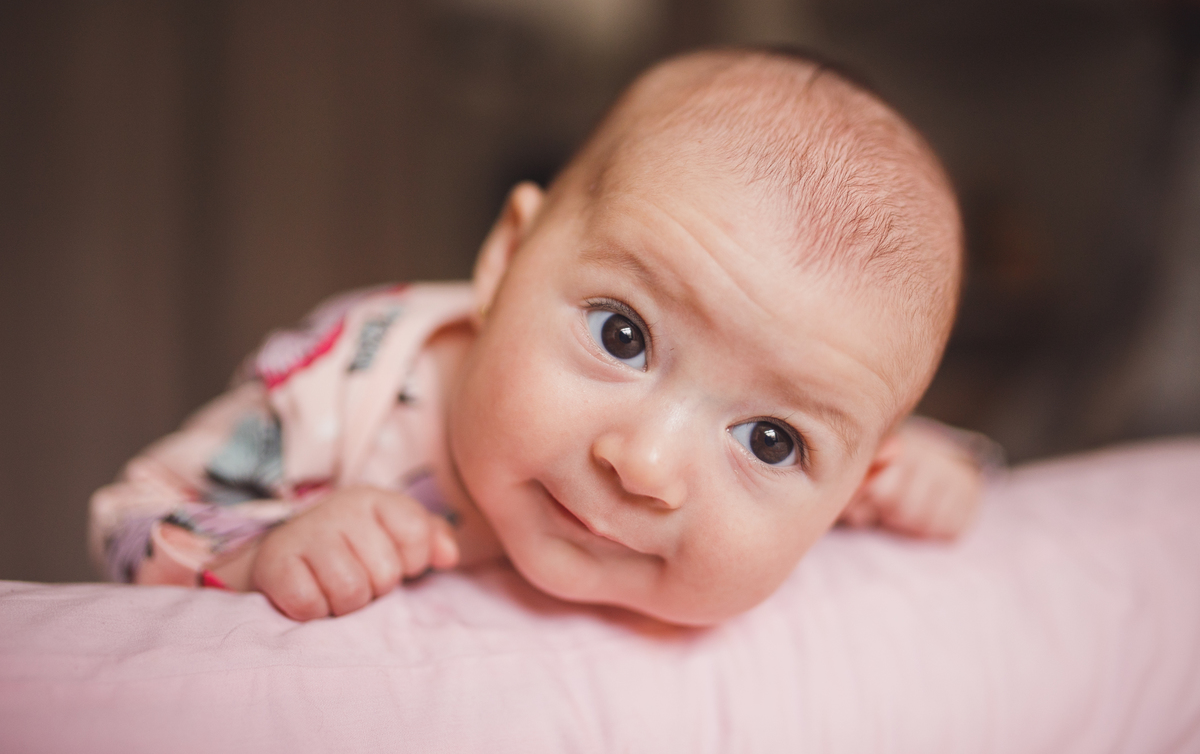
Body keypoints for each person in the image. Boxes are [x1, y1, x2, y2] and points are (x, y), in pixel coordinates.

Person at [90, 47, 987, 626]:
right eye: (623, 336)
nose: (644, 466)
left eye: (770, 439)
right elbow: (128, 517)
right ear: (508, 257)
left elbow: (881, 449)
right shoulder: (347, 384)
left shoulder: (859, 458)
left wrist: (945, 472)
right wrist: (262, 551)